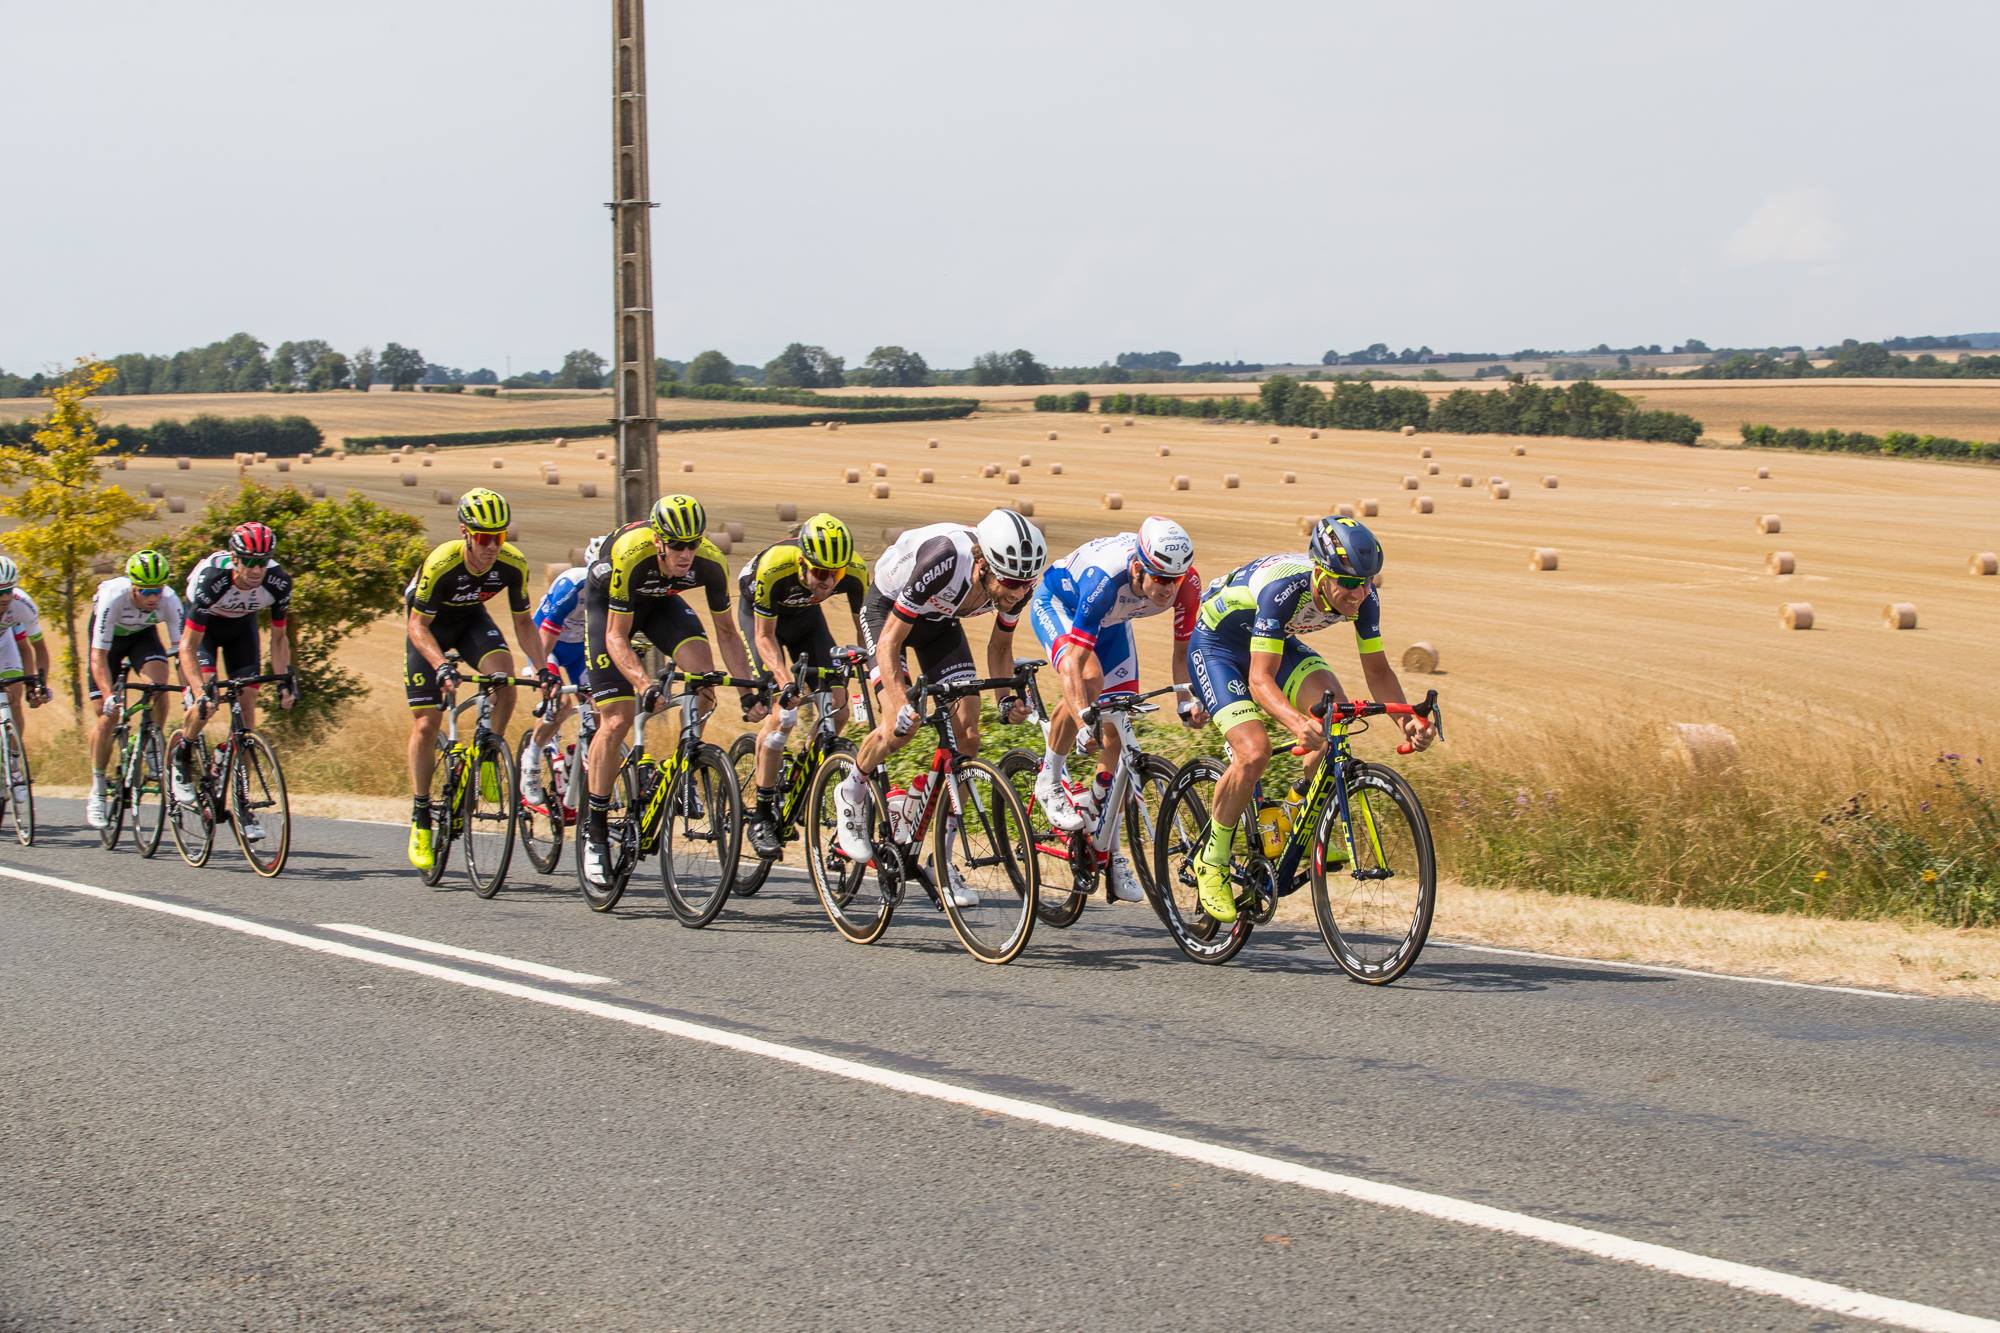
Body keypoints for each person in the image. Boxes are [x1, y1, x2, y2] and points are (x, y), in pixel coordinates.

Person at [1183, 516, 1433, 923]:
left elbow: (1379, 672)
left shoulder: (1364, 599)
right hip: (1218, 647)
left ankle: (1295, 813)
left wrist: (1408, 723)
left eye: (1369, 581)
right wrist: (1297, 723)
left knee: (1335, 719)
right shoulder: (1284, 591)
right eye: (1349, 584)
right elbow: (1260, 679)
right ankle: (1211, 860)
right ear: (1320, 574)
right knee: (1254, 750)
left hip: (1275, 642)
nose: (1361, 593)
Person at [834, 508, 1047, 906]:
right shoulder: (945, 560)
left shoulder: (1019, 584)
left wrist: (1006, 701)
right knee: (901, 726)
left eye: (1025, 583)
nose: (1018, 593)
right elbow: (890, 644)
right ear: (983, 564)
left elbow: (1000, 647)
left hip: (941, 621)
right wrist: (899, 701)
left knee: (968, 734)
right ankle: (852, 789)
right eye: (1011, 582)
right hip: (888, 613)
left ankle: (941, 859)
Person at [578, 494, 764, 887]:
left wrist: (749, 692)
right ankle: (594, 834)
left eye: (693, 544)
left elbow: (728, 632)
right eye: (678, 545)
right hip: (610, 608)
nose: (686, 554)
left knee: (704, 680)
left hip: (662, 604)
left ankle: (683, 763)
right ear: (659, 541)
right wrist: (643, 683)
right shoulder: (633, 554)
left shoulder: (709, 562)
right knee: (616, 718)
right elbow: (616, 635)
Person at [1026, 517, 1208, 900]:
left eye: (1175, 580)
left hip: (1111, 623)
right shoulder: (1104, 579)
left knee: (1120, 717)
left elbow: (1183, 654)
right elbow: (1074, 663)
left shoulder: (1187, 586)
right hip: (1063, 606)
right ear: (1139, 567)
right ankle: (1049, 777)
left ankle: (1102, 829)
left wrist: (1185, 701)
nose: (1167, 590)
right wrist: (1082, 718)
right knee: (1089, 682)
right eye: (1160, 579)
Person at [403, 488, 546, 871]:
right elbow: (417, 625)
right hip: (429, 629)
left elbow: (522, 624)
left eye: (499, 537)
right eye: (484, 538)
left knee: (505, 679)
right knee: (426, 722)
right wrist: (440, 666)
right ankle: (420, 818)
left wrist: (545, 667)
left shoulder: (513, 564)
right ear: (466, 533)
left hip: (470, 621)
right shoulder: (442, 562)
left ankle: (487, 754)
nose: (492, 546)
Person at [736, 512, 866, 859]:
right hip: (765, 624)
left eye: (834, 575)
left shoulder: (852, 572)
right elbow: (763, 638)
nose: (828, 583)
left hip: (807, 622)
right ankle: (761, 816)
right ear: (802, 561)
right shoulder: (774, 568)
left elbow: (865, 629)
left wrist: (874, 670)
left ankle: (804, 776)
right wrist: (783, 683)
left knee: (838, 708)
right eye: (821, 573)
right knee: (784, 714)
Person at [173, 521, 296, 841]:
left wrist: (284, 680)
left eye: (263, 561)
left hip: (242, 630)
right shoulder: (211, 581)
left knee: (248, 710)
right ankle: (182, 753)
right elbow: (186, 646)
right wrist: (200, 691)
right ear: (235, 559)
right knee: (208, 705)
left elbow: (279, 638)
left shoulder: (278, 582)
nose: (257, 569)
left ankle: (242, 803)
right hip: (204, 634)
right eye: (250, 562)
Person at [85, 550, 186, 828]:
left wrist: (190, 689)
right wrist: (108, 696)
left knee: (159, 686)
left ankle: (151, 744)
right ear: (133, 586)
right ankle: (97, 789)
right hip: (109, 645)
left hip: (143, 638)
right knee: (108, 715)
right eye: (146, 591)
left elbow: (183, 652)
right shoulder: (112, 598)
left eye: (158, 589)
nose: (153, 597)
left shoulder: (169, 601)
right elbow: (98, 656)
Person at [518, 533, 606, 806]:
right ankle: (532, 756)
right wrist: (542, 671)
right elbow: (545, 635)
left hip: (580, 650)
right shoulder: (571, 584)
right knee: (562, 703)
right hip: (549, 645)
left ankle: (575, 763)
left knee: (602, 709)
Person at [0, 556, 52, 808]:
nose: (4, 597)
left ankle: (13, 761)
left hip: (3, 645)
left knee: (13, 698)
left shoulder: (22, 604)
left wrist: (38, 683)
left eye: (8, 590)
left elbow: (38, 648)